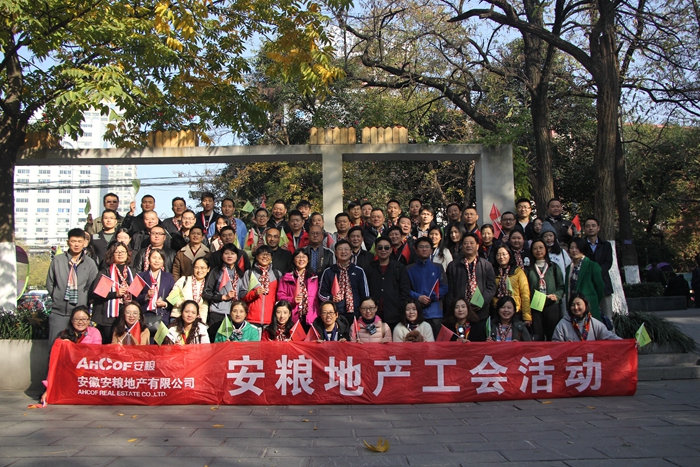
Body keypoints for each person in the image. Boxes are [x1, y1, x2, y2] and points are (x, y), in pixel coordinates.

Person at [46, 228, 99, 348]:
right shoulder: (58, 260)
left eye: (79, 241)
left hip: (79, 314)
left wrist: (84, 300)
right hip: (59, 312)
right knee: (55, 347)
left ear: (84, 243)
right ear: (68, 242)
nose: (76, 245)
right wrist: (57, 296)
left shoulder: (90, 263)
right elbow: (50, 283)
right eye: (73, 241)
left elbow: (91, 286)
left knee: (78, 349)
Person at [40, 306, 101, 404]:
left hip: (87, 368)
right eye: (77, 319)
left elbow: (95, 352)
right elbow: (56, 360)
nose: (80, 322)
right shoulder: (63, 335)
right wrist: (64, 345)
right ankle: (49, 391)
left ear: (89, 320)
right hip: (68, 370)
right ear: (71, 320)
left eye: (84, 319)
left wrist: (73, 348)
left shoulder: (94, 332)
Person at [446, 233, 497, 341]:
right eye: (465, 243)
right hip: (460, 315)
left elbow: (491, 287)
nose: (468, 245)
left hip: (480, 313)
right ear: (462, 246)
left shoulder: (486, 265)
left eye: (471, 243)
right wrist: (453, 308)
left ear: (477, 246)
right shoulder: (453, 266)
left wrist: (481, 302)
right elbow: (450, 290)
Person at [90, 242, 135, 343]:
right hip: (108, 317)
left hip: (126, 316)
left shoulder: (132, 272)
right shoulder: (106, 272)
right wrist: (116, 294)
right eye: (117, 252)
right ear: (112, 254)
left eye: (123, 252)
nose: (120, 254)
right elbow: (97, 294)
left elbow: (137, 294)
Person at [406, 237, 449, 338]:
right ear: (416, 250)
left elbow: (444, 287)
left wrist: (432, 297)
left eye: (427, 247)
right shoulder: (409, 269)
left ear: (431, 250)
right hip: (416, 313)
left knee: (436, 344)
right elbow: (406, 289)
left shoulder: (438, 267)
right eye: (421, 247)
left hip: (435, 313)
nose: (424, 249)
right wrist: (418, 297)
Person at [365, 237, 412, 330]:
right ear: (376, 250)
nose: (383, 250)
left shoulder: (399, 267)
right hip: (373, 315)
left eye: (386, 248)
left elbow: (405, 290)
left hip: (394, 315)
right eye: (380, 247)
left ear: (391, 250)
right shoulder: (370, 268)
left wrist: (399, 306)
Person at [319, 240, 370, 322]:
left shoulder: (358, 271)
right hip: (334, 314)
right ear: (335, 252)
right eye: (340, 249)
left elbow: (365, 294)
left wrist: (364, 311)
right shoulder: (328, 271)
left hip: (356, 313)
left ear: (351, 252)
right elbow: (321, 293)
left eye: (346, 249)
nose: (343, 252)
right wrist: (331, 298)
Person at [203, 243, 245, 342]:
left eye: (232, 253)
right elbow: (206, 292)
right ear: (222, 256)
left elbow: (243, 292)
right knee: (216, 343)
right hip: (218, 313)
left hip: (235, 315)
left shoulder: (240, 273)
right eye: (226, 253)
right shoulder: (216, 272)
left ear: (237, 256)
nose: (229, 256)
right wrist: (223, 297)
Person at [526, 239, 565, 341]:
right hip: (535, 306)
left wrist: (556, 295)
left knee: (552, 335)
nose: (538, 250)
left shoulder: (554, 267)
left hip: (551, 304)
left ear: (546, 250)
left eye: (541, 248)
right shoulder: (528, 269)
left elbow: (561, 286)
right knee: (537, 336)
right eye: (535, 248)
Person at [135, 249, 175, 338]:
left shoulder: (169, 277)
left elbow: (175, 298)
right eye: (154, 258)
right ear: (149, 260)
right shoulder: (140, 276)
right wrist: (145, 296)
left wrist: (165, 304)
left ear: (163, 262)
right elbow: (133, 298)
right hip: (145, 316)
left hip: (162, 316)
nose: (157, 261)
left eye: (160, 258)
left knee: (160, 344)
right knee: (146, 342)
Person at [239, 245, 282, 327]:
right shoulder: (249, 273)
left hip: (270, 320)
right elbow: (242, 296)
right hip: (252, 319)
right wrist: (254, 293)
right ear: (256, 256)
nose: (265, 256)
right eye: (262, 254)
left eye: (268, 254)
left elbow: (279, 297)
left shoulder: (277, 274)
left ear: (271, 257)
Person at [276, 249, 321, 328]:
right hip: (293, 316)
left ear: (308, 260)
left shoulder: (314, 277)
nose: (301, 259)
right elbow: (280, 296)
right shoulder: (286, 277)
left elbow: (317, 298)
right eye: (298, 257)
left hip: (311, 317)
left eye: (304, 257)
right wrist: (292, 300)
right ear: (293, 260)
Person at [552, 293, 621, 341]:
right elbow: (555, 344)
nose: (576, 307)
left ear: (585, 305)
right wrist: (565, 346)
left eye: (578, 304)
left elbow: (609, 336)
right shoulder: (562, 325)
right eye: (572, 305)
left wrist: (624, 343)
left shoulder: (594, 324)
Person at [565, 238, 606, 321]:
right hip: (573, 306)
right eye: (572, 248)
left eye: (577, 248)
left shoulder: (592, 265)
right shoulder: (569, 268)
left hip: (589, 304)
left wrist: (593, 301)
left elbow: (600, 288)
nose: (574, 250)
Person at [491, 244, 532, 326]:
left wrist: (527, 316)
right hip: (497, 310)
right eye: (498, 255)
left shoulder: (518, 271)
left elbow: (525, 294)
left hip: (516, 311)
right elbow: (490, 292)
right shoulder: (492, 271)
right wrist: (496, 302)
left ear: (509, 255)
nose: (501, 257)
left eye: (504, 254)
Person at [583, 216, 614, 319]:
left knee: (607, 316)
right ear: (584, 229)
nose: (591, 228)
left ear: (598, 228)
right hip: (586, 285)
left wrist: (596, 272)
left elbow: (608, 263)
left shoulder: (606, 245)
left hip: (604, 283)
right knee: (588, 317)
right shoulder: (581, 245)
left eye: (593, 226)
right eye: (588, 226)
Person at [171, 257, 211, 325]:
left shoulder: (208, 286)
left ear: (208, 269)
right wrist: (186, 307)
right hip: (178, 317)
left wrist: (202, 322)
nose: (199, 270)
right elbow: (172, 298)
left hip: (196, 321)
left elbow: (204, 307)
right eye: (196, 267)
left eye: (202, 268)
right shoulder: (184, 280)